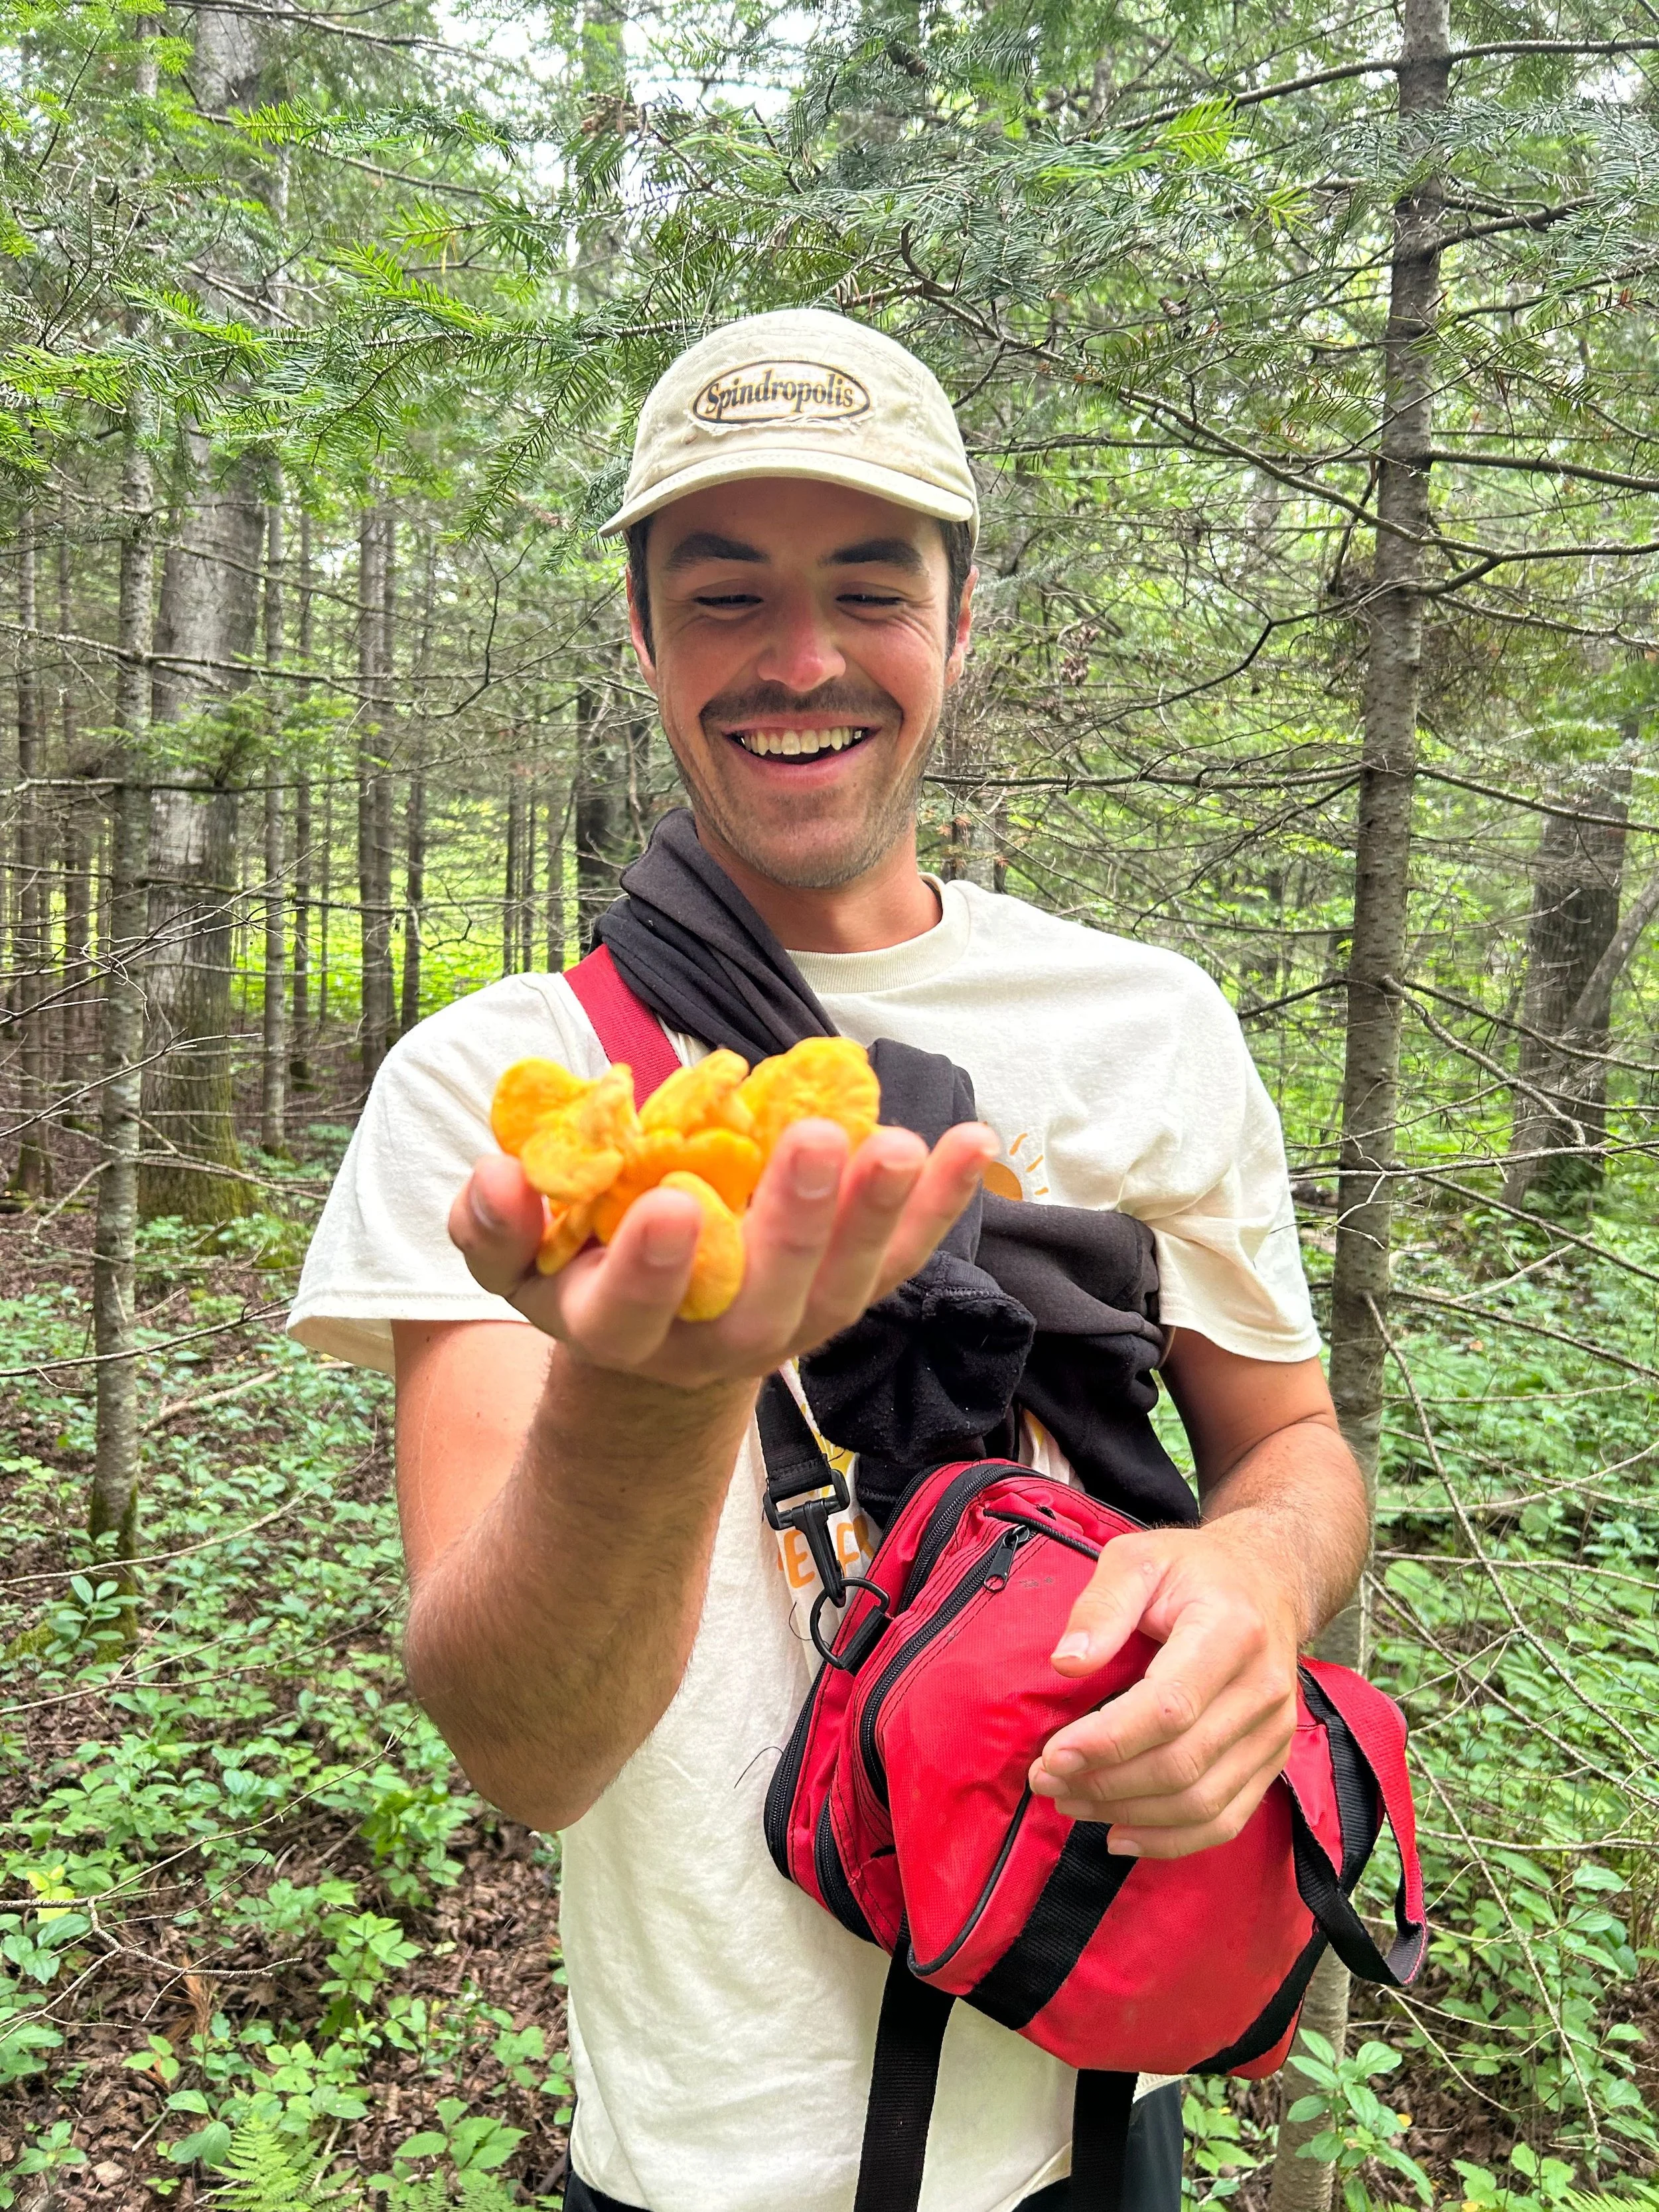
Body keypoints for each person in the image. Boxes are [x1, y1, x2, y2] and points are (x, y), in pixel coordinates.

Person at [289, 309, 1370, 2212]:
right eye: (723, 599)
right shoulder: (503, 1083)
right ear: (639, 638)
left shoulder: (1150, 1021)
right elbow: (523, 1748)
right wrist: (659, 1382)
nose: (797, 660)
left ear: (962, 628)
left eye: (867, 588)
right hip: (705, 2150)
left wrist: (1248, 1582)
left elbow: (1292, 1450)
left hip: (1098, 2065)